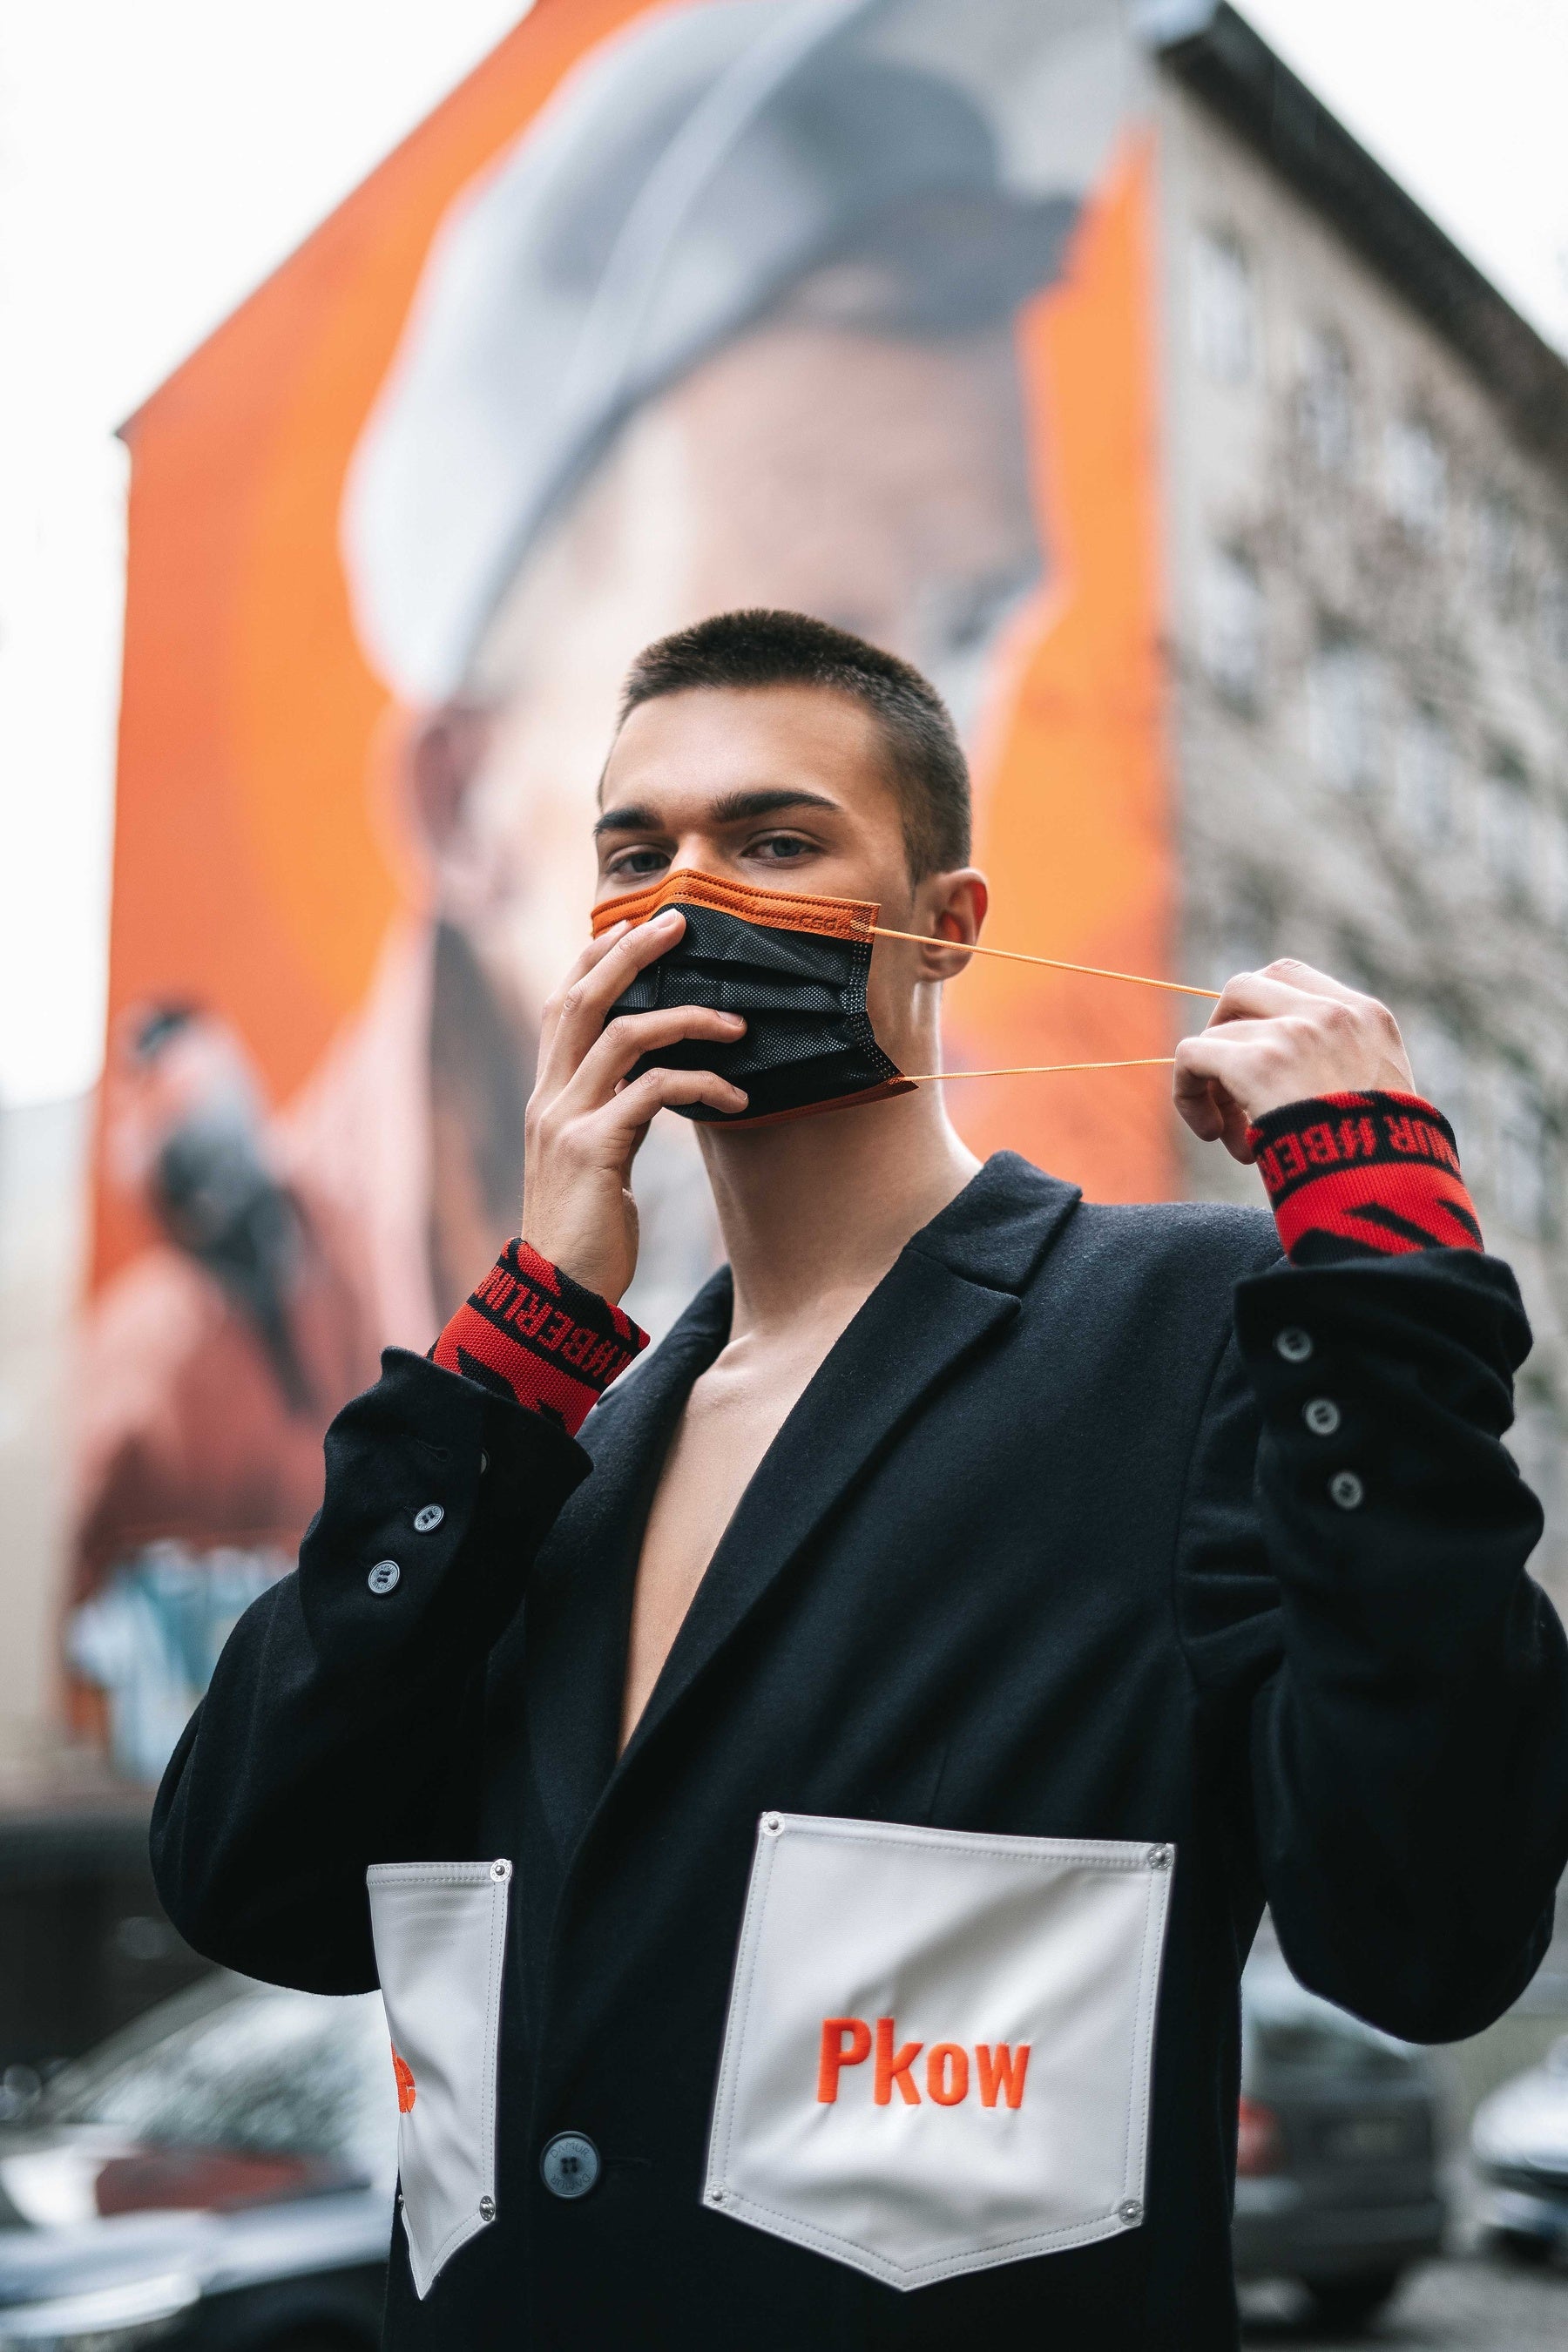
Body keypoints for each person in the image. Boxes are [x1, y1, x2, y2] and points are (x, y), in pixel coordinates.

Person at [152, 610, 1568, 2349]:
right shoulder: (538, 1457)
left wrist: (1389, 1291)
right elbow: (245, 1879)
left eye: (774, 841)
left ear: (944, 925)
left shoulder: (1184, 1336)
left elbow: (1429, 1933)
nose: (689, 897)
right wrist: (519, 1344)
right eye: (635, 853)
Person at [73, 0, 1093, 1620]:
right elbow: (264, 1783)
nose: (892, 740)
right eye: (768, 642)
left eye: (968, 622)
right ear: (466, 808)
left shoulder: (1119, 1326)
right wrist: (531, 1332)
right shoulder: (172, 1420)